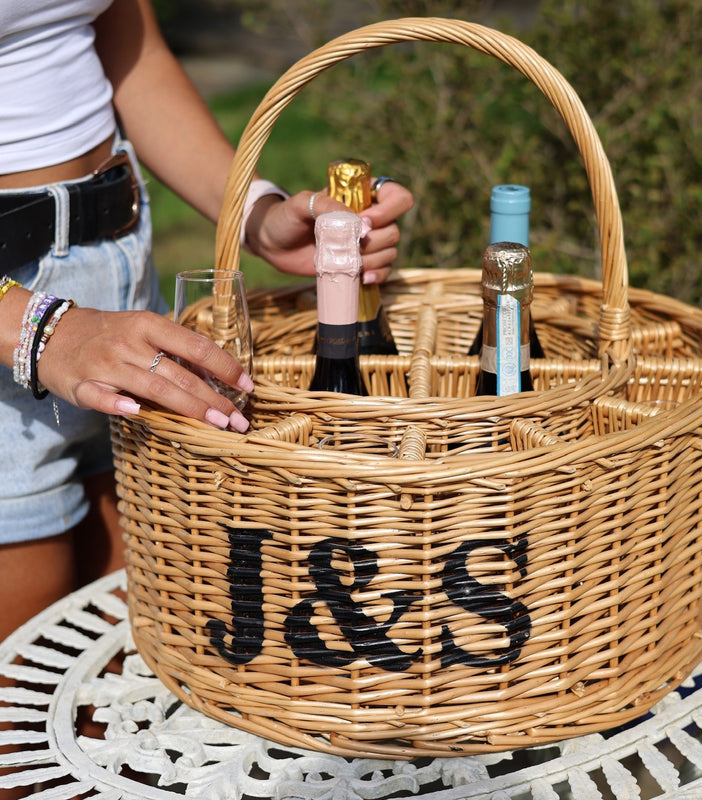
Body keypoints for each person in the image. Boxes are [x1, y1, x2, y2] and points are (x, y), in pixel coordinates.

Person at [0, 0, 414, 644]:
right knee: (24, 710)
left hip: (117, 287)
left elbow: (129, 51)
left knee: (130, 673)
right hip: (14, 331)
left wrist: (254, 213)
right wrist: (40, 330)